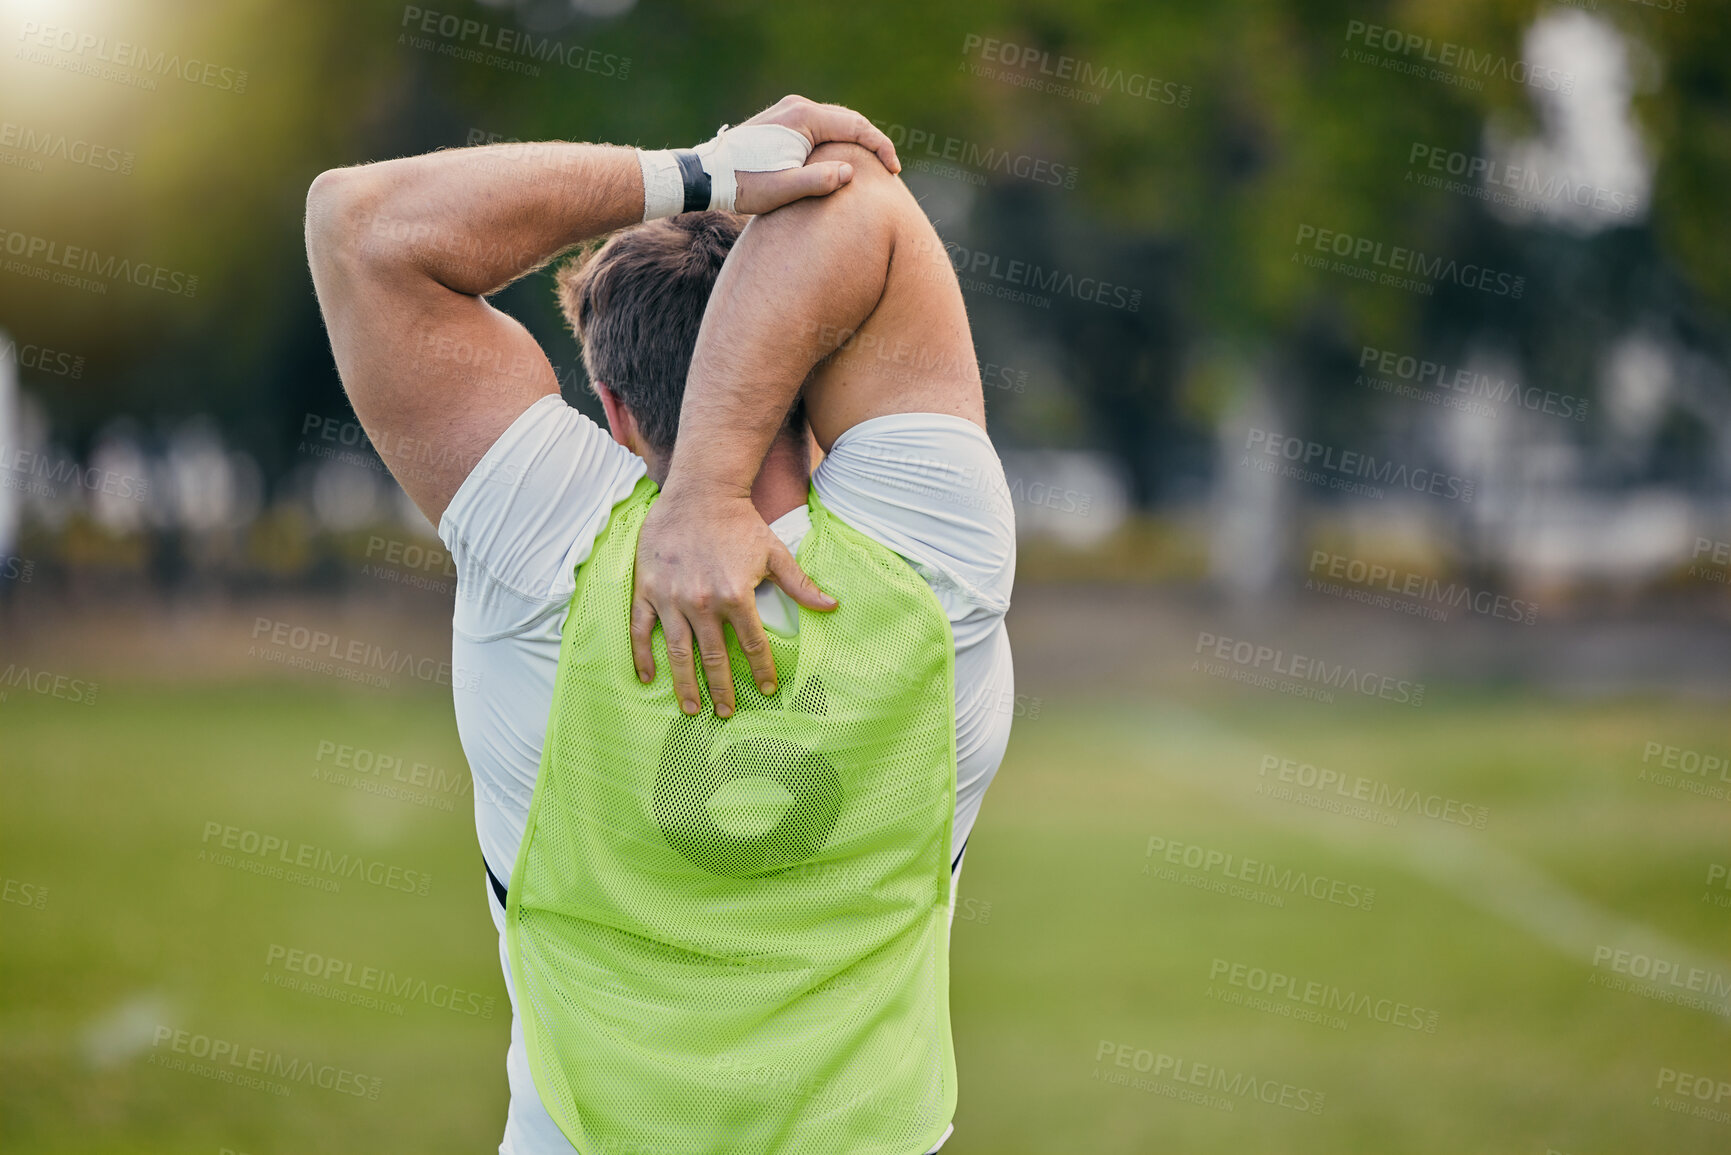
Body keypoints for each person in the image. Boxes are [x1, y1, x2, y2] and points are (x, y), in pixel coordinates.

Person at [305, 95, 1016, 1155]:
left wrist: (702, 171)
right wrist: (718, 487)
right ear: (816, 371)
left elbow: (358, 227)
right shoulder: (934, 557)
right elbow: (858, 196)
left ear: (615, 404)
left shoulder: (552, 549)